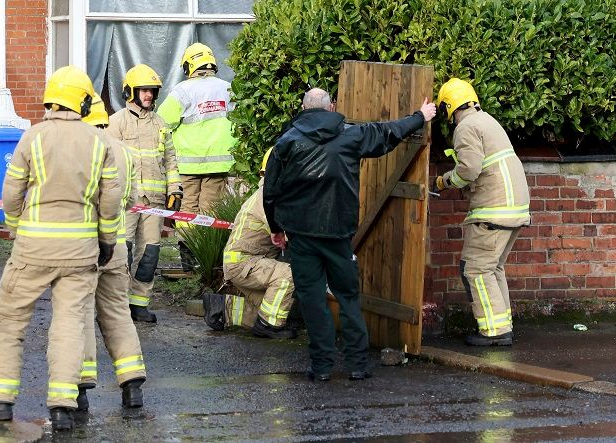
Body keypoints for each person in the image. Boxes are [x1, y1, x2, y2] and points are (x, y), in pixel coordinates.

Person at [0, 67, 122, 433]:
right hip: (80, 251)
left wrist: (17, 227)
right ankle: (63, 405)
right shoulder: (99, 142)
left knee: (10, 320)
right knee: (69, 324)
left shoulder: (32, 137)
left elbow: (11, 192)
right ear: (83, 102)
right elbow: (110, 199)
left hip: (33, 250)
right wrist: (107, 240)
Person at [263, 87, 435, 383]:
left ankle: (322, 367)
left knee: (312, 300)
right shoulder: (350, 135)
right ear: (331, 107)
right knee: (348, 297)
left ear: (303, 109)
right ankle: (357, 364)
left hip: (301, 235)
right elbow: (388, 132)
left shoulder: (287, 142)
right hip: (338, 233)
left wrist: (276, 228)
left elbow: (271, 191)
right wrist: (420, 116)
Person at [433, 77, 530, 347]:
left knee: (475, 269)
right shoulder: (487, 121)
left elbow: (469, 169)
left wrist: (444, 182)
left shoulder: (466, 127)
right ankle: (502, 324)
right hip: (513, 208)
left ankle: (494, 332)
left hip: (493, 210)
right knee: (492, 268)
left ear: (448, 107)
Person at [77, 96, 148, 411]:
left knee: (78, 316)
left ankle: (80, 389)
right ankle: (132, 384)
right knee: (118, 314)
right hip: (116, 247)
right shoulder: (123, 151)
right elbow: (130, 199)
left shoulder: (79, 149)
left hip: (84, 247)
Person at [106, 63, 181, 322]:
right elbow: (108, 162)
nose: (148, 95)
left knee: (149, 254)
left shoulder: (161, 124)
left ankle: (139, 304)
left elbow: (170, 161)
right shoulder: (116, 122)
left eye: (152, 90)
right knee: (122, 254)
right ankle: (115, 306)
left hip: (155, 203)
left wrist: (175, 190)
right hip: (126, 202)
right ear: (130, 92)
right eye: (143, 90)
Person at [204, 149, 296, 339]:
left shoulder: (268, 194)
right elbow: (290, 235)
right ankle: (269, 327)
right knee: (289, 275)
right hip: (245, 263)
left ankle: (222, 307)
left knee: (276, 308)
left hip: (244, 263)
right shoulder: (268, 198)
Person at [158, 43, 235, 215]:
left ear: (188, 66)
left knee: (187, 210)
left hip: (187, 166)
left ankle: (186, 235)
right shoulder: (229, 89)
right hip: (218, 165)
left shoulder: (182, 91)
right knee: (211, 211)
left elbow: (161, 122)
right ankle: (207, 235)